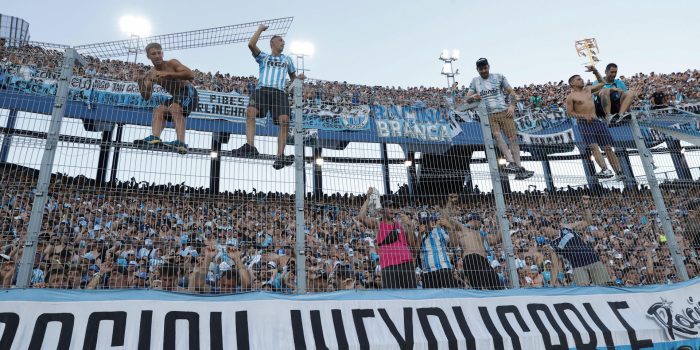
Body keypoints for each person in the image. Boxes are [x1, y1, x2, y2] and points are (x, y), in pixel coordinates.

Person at [232, 24, 304, 169]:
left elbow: (293, 78)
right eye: (280, 40)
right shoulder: (264, 57)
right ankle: (250, 146)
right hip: (262, 90)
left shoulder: (287, 60)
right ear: (272, 43)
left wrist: (298, 79)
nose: (283, 42)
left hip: (279, 92)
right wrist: (260, 29)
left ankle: (280, 156)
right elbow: (251, 44)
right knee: (250, 112)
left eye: (283, 41)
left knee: (285, 120)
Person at [465, 58, 534, 180]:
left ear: (488, 67)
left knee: (513, 139)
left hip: (504, 111)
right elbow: (467, 99)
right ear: (477, 69)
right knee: (497, 135)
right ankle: (511, 162)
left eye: (485, 68)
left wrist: (512, 106)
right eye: (481, 69)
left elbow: (511, 92)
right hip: (488, 115)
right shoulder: (475, 81)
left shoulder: (499, 77)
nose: (483, 70)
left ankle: (518, 167)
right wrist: (473, 96)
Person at [137, 42, 198, 154]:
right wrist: (140, 81)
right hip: (175, 96)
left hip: (188, 91)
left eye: (159, 53)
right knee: (159, 109)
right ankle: (155, 137)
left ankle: (181, 142)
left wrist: (168, 74)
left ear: (163, 53)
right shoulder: (151, 73)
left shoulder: (172, 63)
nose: (157, 56)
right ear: (148, 57)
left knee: (174, 107)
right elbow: (146, 96)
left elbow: (190, 74)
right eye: (153, 54)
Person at [566, 73, 626, 181]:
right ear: (572, 83)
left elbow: (603, 83)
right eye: (579, 79)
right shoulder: (571, 97)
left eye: (581, 79)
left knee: (608, 147)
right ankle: (605, 169)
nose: (582, 80)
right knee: (594, 147)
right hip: (584, 124)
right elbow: (570, 113)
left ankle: (619, 172)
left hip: (597, 121)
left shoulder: (588, 89)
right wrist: (583, 116)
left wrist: (595, 71)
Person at [541, 196, 611, 286]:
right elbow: (554, 266)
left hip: (593, 259)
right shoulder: (552, 245)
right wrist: (551, 285)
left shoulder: (566, 227)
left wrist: (585, 206)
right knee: (583, 290)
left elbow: (588, 221)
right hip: (578, 266)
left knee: (604, 285)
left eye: (543, 230)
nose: (543, 233)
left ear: (549, 226)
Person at [357, 187, 416, 289]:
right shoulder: (378, 223)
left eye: (394, 207)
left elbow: (411, 244)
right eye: (389, 207)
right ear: (382, 210)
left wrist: (410, 226)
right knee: (393, 296)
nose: (392, 209)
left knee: (411, 293)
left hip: (406, 263)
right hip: (389, 265)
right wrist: (368, 199)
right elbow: (361, 217)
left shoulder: (401, 224)